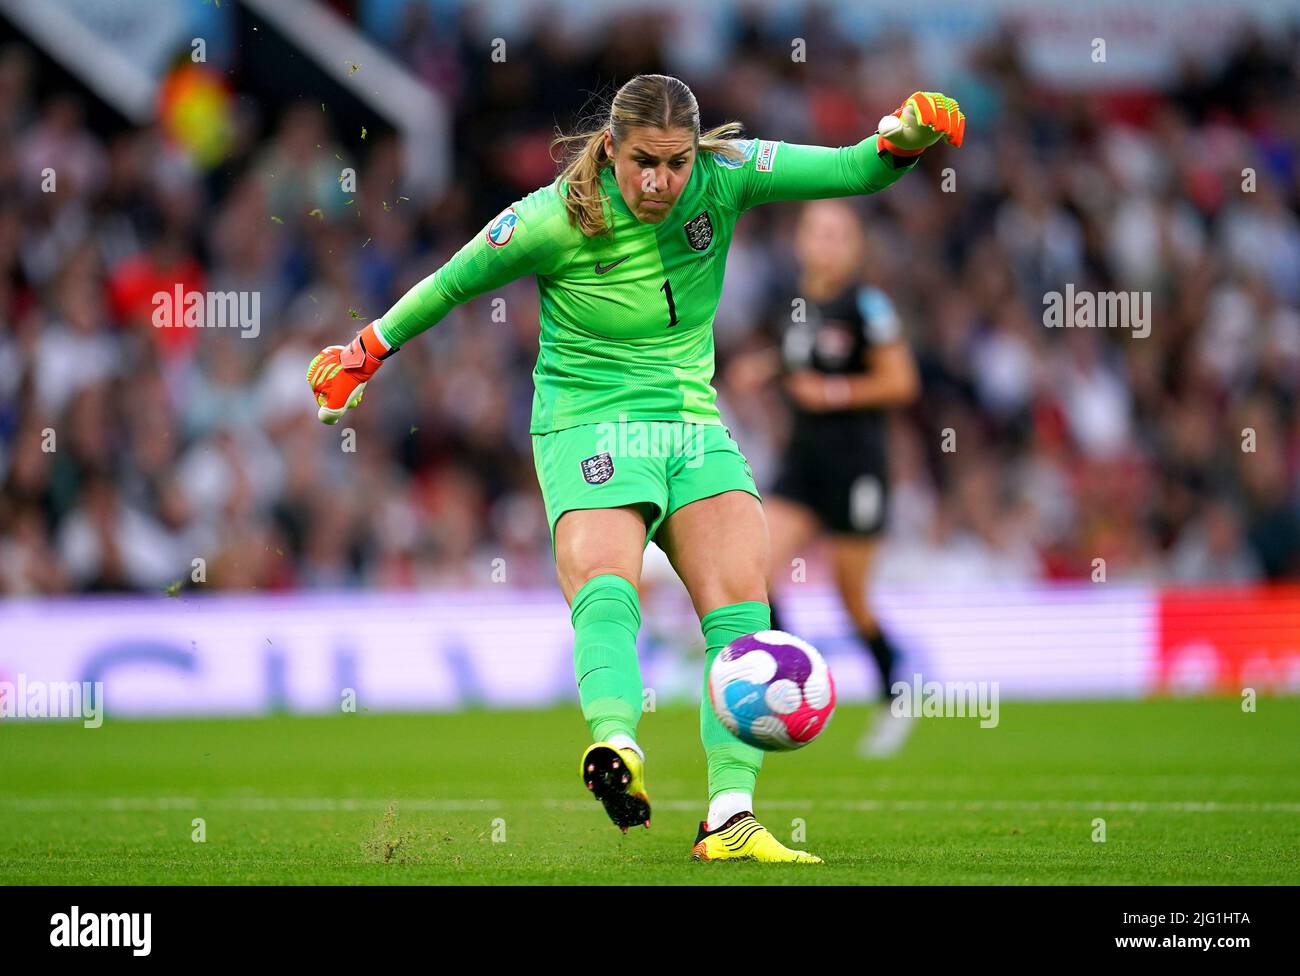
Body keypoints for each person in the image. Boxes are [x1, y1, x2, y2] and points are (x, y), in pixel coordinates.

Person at [307, 78, 964, 862]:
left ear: (697, 153)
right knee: (608, 582)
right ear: (611, 149)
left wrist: (906, 141)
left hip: (690, 424)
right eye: (644, 162)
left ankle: (730, 817)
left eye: (676, 164)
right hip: (587, 424)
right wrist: (365, 353)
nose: (661, 182)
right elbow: (451, 284)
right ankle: (617, 746)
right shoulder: (553, 216)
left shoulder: (728, 174)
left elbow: (856, 170)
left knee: (740, 607)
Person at [730, 199, 920, 758]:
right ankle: (791, 679)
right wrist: (763, 368)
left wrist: (834, 392)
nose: (826, 244)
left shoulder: (867, 305)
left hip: (856, 465)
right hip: (802, 462)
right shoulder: (796, 305)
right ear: (801, 242)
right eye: (817, 232)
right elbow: (800, 358)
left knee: (851, 597)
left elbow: (901, 381)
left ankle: (896, 695)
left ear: (855, 246)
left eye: (838, 234)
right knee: (756, 572)